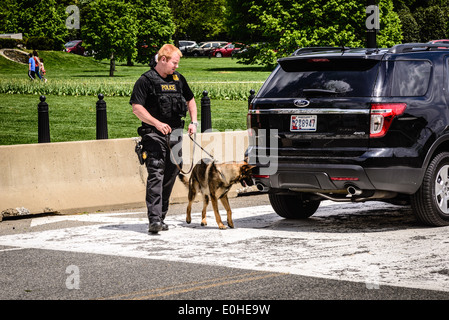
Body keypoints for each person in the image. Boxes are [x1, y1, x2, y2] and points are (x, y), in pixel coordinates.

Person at [130, 44, 198, 234]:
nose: (176, 66)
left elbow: (190, 99)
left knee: (170, 175)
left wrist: (194, 122)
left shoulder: (178, 79)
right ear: (163, 60)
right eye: (174, 63)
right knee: (156, 174)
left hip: (175, 134)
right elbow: (137, 108)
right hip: (154, 134)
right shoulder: (146, 80)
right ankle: (154, 220)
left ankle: (161, 217)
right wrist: (157, 123)